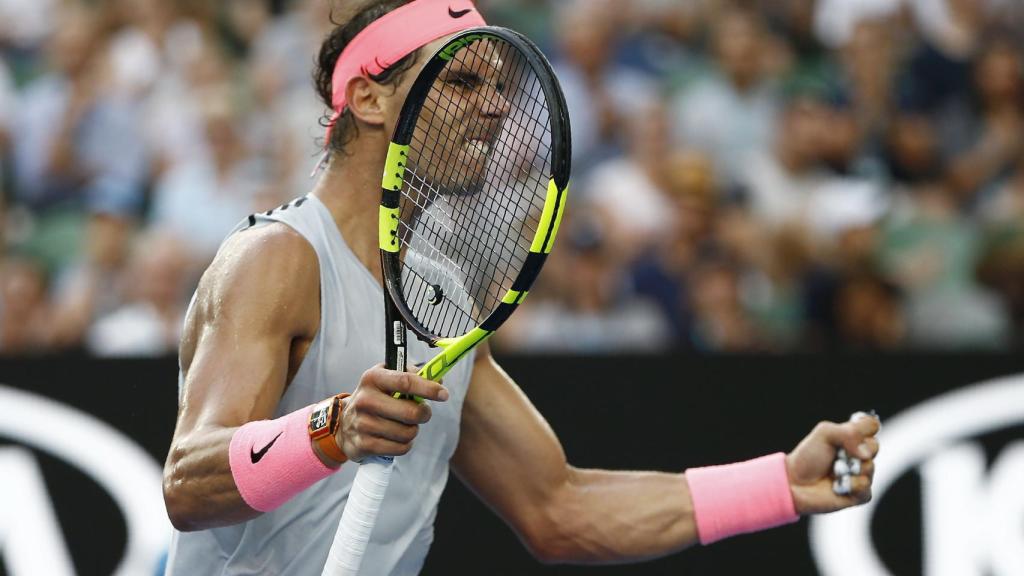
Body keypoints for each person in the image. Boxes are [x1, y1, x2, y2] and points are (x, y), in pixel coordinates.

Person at [162, 1, 882, 574]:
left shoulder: (441, 299)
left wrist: (780, 484)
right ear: (368, 98)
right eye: (463, 81)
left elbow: (559, 508)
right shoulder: (275, 257)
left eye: (501, 88)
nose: (498, 107)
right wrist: (330, 428)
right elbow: (189, 484)